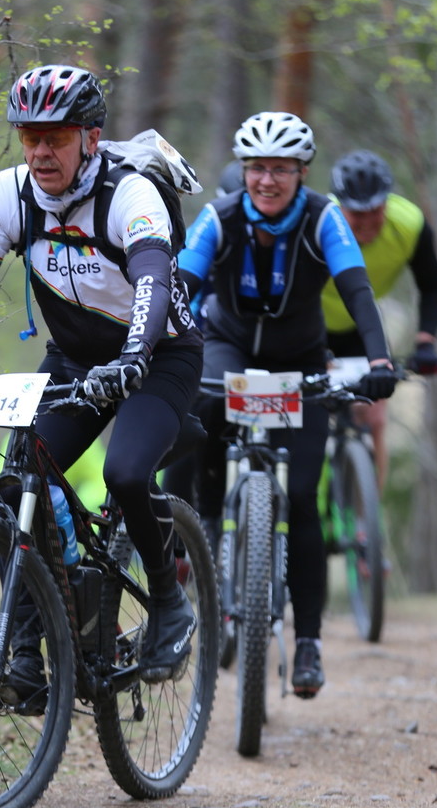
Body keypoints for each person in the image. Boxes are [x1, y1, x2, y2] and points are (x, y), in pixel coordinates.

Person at [0, 64, 204, 704]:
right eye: (29, 137)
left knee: (128, 474)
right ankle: (27, 658)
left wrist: (135, 358)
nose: (39, 152)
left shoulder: (130, 195)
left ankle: (169, 605)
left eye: (54, 138)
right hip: (75, 361)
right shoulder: (12, 195)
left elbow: (152, 281)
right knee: (12, 483)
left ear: (90, 137)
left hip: (158, 355)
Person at [167, 112, 398, 697]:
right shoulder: (219, 217)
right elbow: (182, 286)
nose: (267, 181)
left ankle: (311, 643)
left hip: (301, 362)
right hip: (229, 347)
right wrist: (153, 351)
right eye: (257, 169)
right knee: (203, 411)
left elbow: (357, 289)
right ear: (243, 171)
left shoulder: (325, 218)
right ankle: (208, 538)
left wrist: (378, 361)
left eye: (281, 170)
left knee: (302, 497)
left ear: (301, 172)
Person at [322, 150, 437, 487]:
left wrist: (425, 342)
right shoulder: (319, 221)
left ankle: (367, 521)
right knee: (310, 416)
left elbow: (432, 288)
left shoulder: (409, 225)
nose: (366, 224)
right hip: (309, 325)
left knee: (376, 413)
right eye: (355, 215)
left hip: (359, 327)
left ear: (387, 202)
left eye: (375, 211)